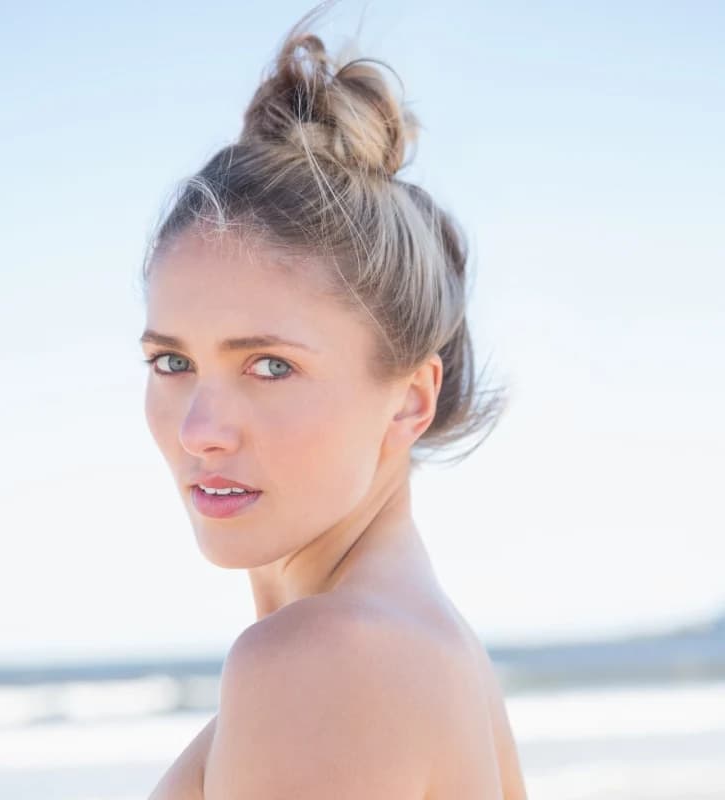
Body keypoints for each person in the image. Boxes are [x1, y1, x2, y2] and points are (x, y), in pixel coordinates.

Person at [139, 3, 528, 798]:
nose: (200, 430)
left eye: (270, 367)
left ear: (410, 399)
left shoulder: (322, 660)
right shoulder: (430, 651)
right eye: (173, 360)